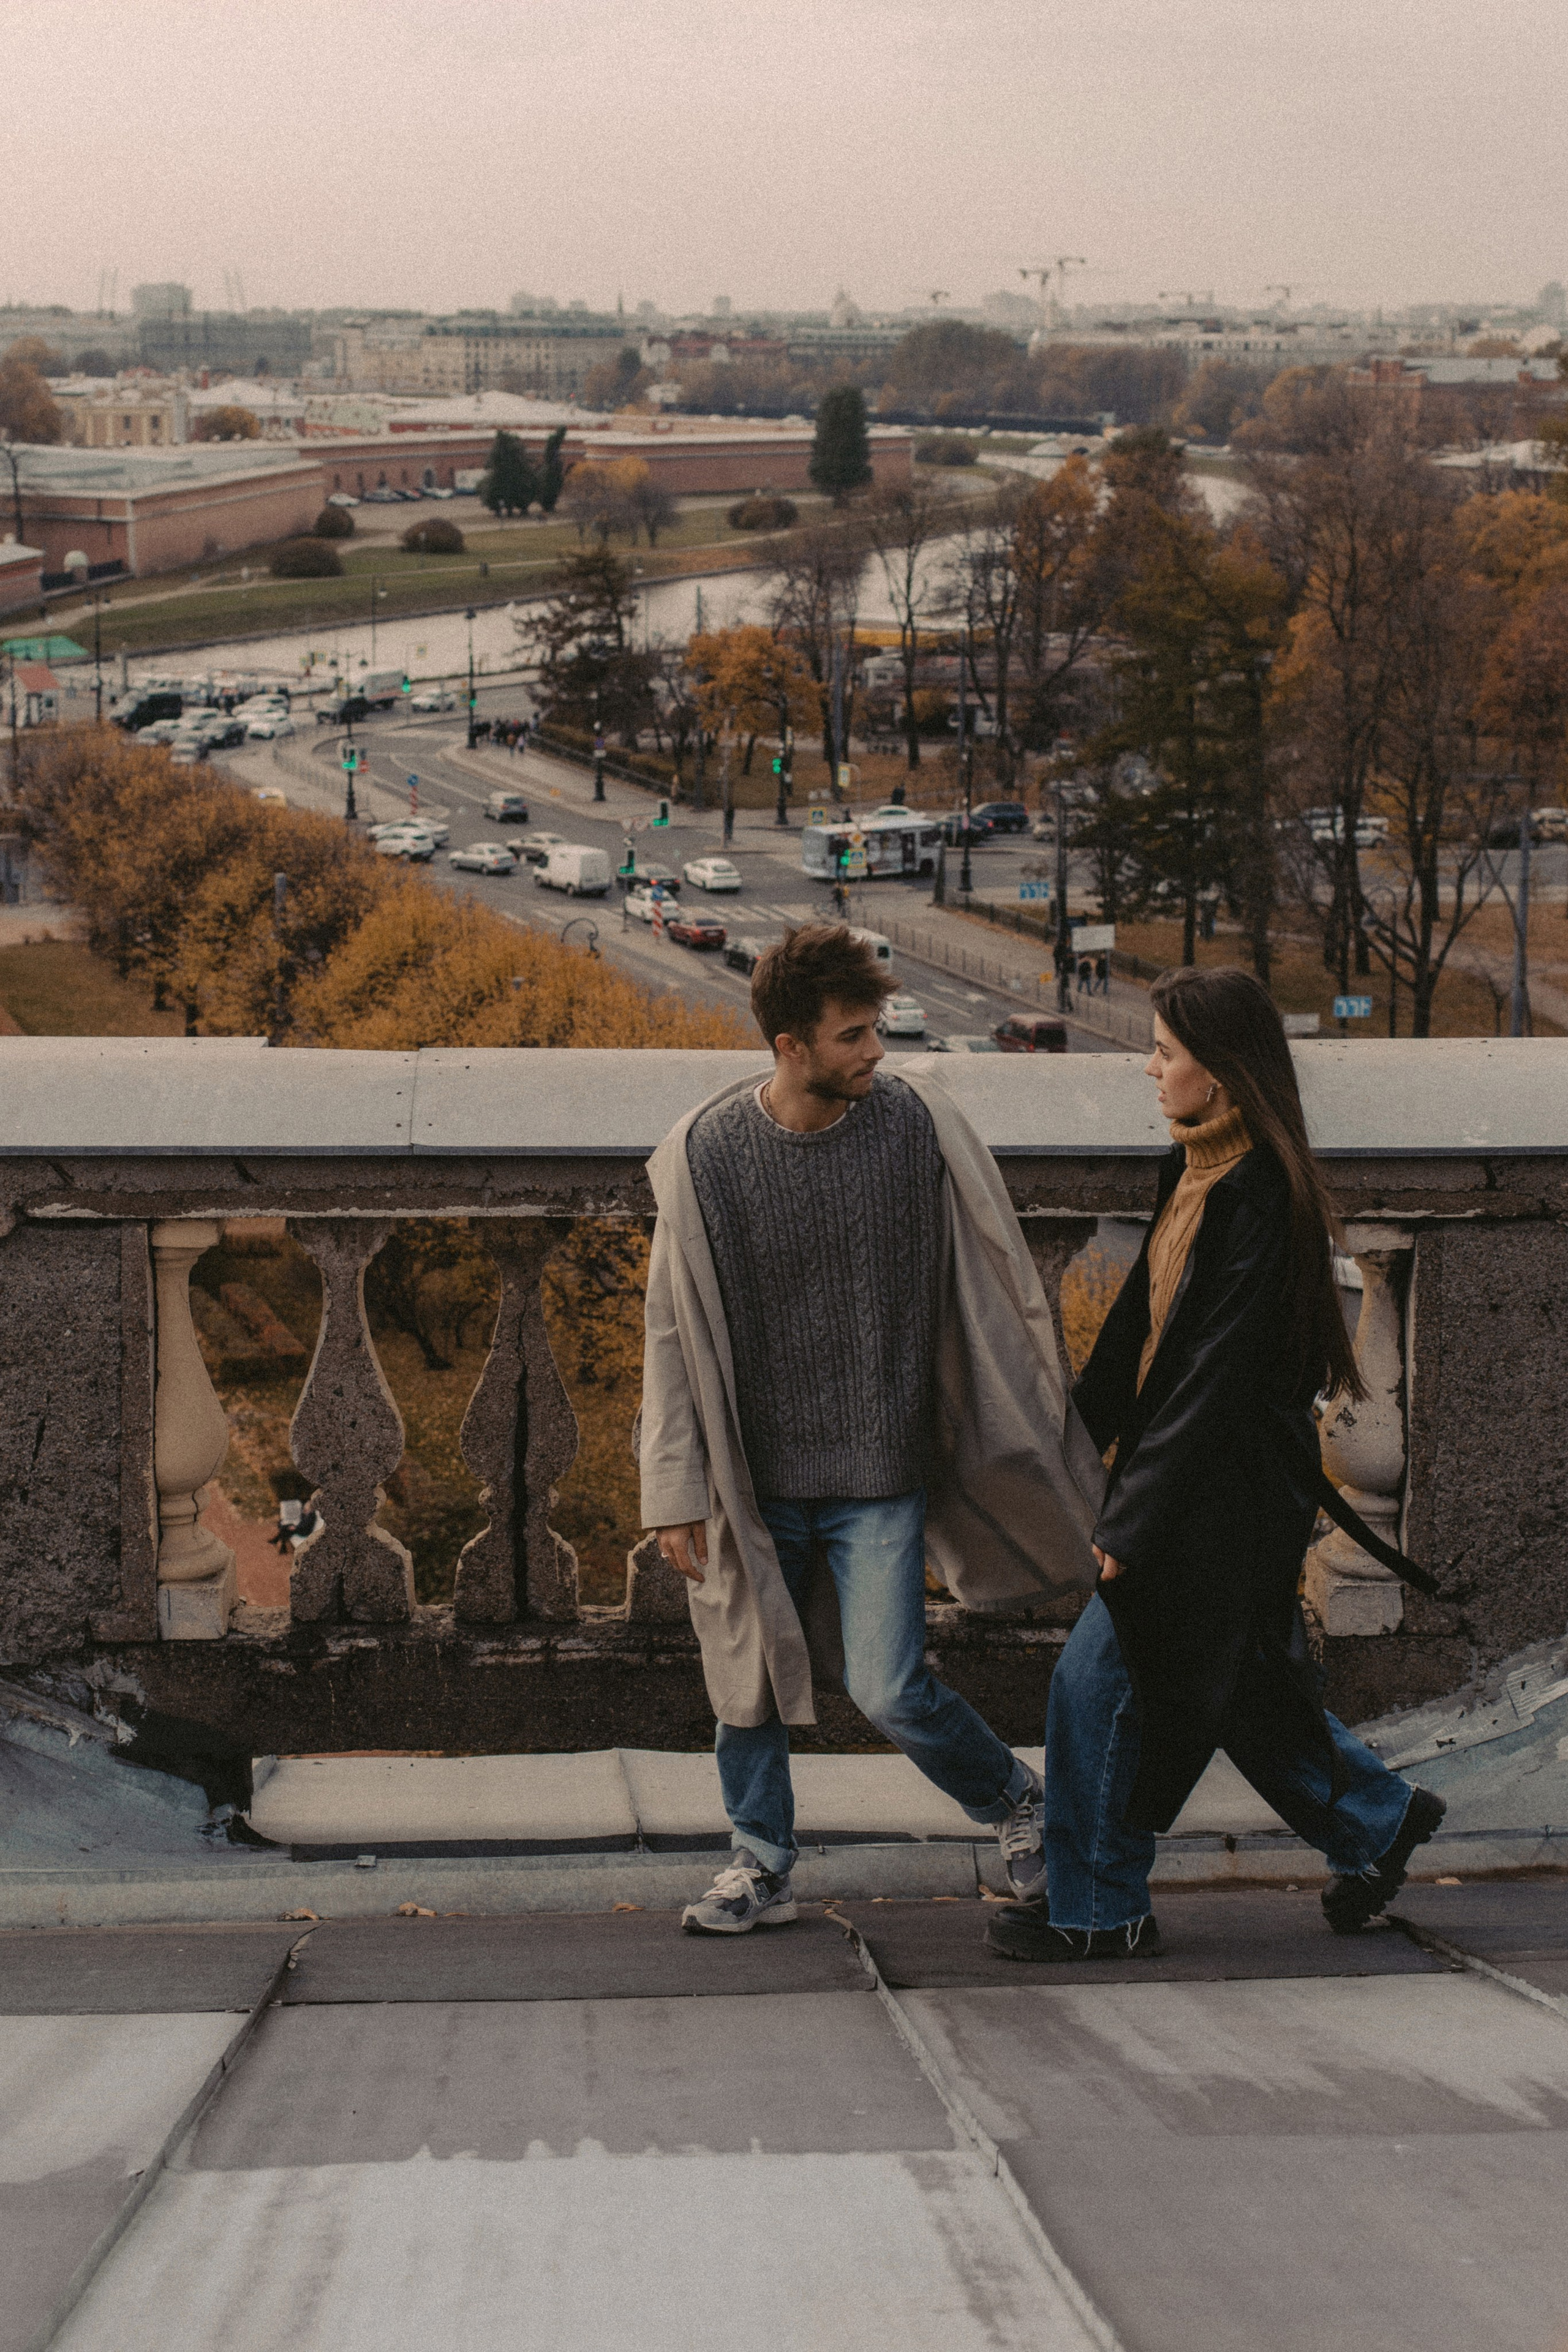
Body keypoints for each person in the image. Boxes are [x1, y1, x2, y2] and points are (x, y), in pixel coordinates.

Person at [639, 924, 1104, 1935]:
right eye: (852, 1035)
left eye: (875, 1030)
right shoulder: (706, 1155)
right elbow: (670, 1330)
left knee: (889, 1686)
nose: (874, 1052)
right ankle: (760, 1862)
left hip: (881, 1472)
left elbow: (990, 1288)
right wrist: (672, 1489)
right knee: (747, 1682)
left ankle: (1020, 1805)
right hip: (752, 1477)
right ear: (790, 1045)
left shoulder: (912, 1129)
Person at [987, 965, 1446, 1963]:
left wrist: (1127, 1526)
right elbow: (1140, 1338)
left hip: (1222, 1495)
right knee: (1237, 1688)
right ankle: (1378, 1820)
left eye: (1163, 1052)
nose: (1148, 1069)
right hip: (1194, 1481)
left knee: (1098, 1683)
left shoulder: (1263, 1196)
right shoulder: (1189, 1171)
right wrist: (1065, 1445)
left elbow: (1215, 1385)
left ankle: (1100, 1908)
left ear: (1223, 1076)